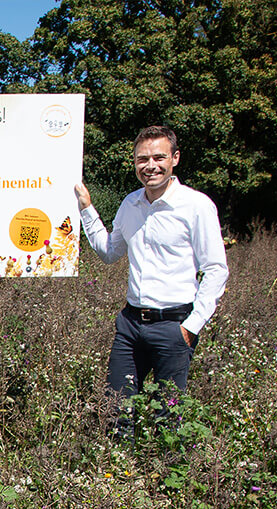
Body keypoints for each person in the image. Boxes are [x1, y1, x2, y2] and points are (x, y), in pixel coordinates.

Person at [74, 125, 228, 438]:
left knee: (168, 418)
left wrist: (190, 327)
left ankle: (168, 483)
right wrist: (86, 209)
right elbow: (108, 252)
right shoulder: (130, 204)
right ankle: (118, 480)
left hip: (174, 325)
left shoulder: (196, 206)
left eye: (159, 157)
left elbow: (215, 269)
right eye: (142, 159)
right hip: (131, 324)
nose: (150, 165)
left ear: (175, 158)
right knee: (116, 411)